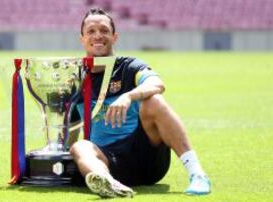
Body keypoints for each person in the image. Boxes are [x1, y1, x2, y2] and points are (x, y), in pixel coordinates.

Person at [69, 8, 211, 198]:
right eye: (91, 31)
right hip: (109, 162)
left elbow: (157, 83)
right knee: (79, 146)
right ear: (82, 38)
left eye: (104, 30)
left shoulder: (129, 66)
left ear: (114, 37)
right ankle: (108, 184)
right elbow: (69, 133)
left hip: (147, 159)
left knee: (154, 101)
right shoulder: (75, 79)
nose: (98, 36)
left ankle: (197, 174)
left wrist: (128, 96)